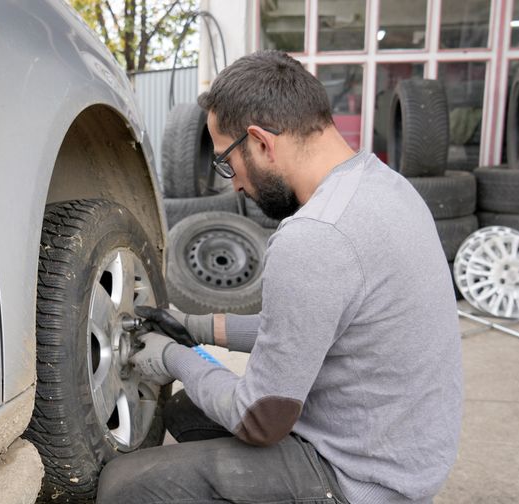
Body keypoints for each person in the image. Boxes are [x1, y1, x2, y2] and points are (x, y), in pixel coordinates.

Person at [96, 50, 462, 504]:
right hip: (402, 447)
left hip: (364, 480)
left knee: (123, 487)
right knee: (189, 414)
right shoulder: (383, 186)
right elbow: (302, 328)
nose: (235, 184)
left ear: (262, 142)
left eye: (228, 161)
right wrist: (192, 327)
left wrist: (172, 358)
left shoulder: (314, 237)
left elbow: (260, 418)